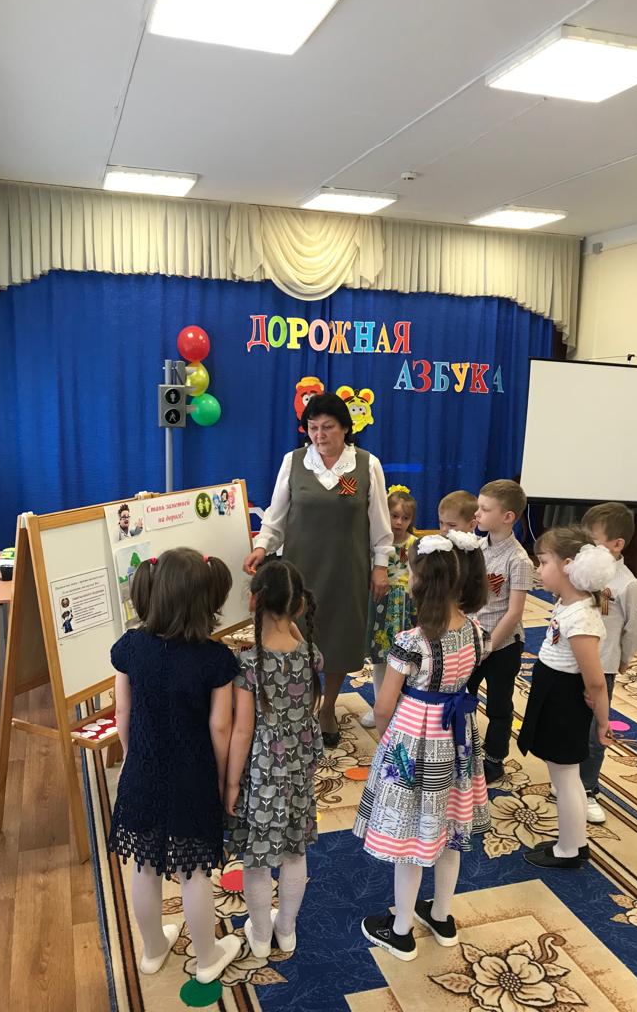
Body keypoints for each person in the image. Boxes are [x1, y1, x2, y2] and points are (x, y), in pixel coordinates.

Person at [354, 531, 490, 962]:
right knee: (450, 829)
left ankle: (401, 931)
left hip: (414, 737)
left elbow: (383, 706)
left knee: (411, 836)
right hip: (458, 736)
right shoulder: (476, 630)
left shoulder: (412, 641)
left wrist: (387, 742)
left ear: (419, 581)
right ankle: (442, 916)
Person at [107, 549, 242, 981]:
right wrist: (220, 777)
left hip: (142, 770)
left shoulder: (130, 647)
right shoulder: (216, 659)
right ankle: (207, 958)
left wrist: (132, 757)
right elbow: (220, 727)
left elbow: (122, 714)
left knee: (144, 866)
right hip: (193, 775)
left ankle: (151, 951)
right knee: (194, 871)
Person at [243, 392, 393, 748]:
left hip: (347, 569)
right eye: (313, 428)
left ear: (345, 428)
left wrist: (381, 566)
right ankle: (299, 704)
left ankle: (327, 709)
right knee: (295, 637)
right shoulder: (293, 462)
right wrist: (262, 546)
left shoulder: (367, 464)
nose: (319, 435)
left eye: (327, 427)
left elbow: (379, 522)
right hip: (300, 569)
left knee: (339, 638)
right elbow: (276, 516)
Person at [224, 559, 322, 958]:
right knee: (295, 851)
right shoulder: (311, 655)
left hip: (263, 773)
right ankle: (287, 929)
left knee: (258, 858)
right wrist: (290, 623)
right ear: (298, 606)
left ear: (253, 601)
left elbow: (242, 731)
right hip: (299, 768)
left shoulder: (249, 664)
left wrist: (231, 783)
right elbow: (293, 636)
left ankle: (261, 936)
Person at [519, 527, 616, 869]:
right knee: (562, 775)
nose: (538, 569)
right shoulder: (567, 604)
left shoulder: (582, 617)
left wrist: (602, 721)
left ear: (568, 565)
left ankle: (571, 849)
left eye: (543, 562)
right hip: (553, 694)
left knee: (566, 778)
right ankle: (571, 842)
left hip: (564, 703)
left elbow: (596, 681)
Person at [579, 503, 637, 823]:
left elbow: (635, 627)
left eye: (594, 542)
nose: (587, 549)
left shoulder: (627, 585)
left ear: (617, 544)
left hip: (602, 665)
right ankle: (567, 778)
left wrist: (624, 658)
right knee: (570, 723)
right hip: (572, 662)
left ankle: (588, 788)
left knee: (595, 731)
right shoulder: (582, 571)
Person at [468, 479, 535, 784]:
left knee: (498, 705)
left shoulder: (519, 560)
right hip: (472, 640)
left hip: (503, 645)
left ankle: (494, 759)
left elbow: (514, 612)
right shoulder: (478, 548)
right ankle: (464, 749)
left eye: (484, 509)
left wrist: (489, 646)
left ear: (507, 517)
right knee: (463, 696)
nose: (477, 514)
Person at [361, 485, 418, 729]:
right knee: (380, 659)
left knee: (405, 659)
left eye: (405, 518)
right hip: (380, 606)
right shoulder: (376, 544)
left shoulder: (415, 544)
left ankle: (401, 707)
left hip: (405, 608)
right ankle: (379, 706)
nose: (398, 522)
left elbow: (417, 576)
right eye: (394, 516)